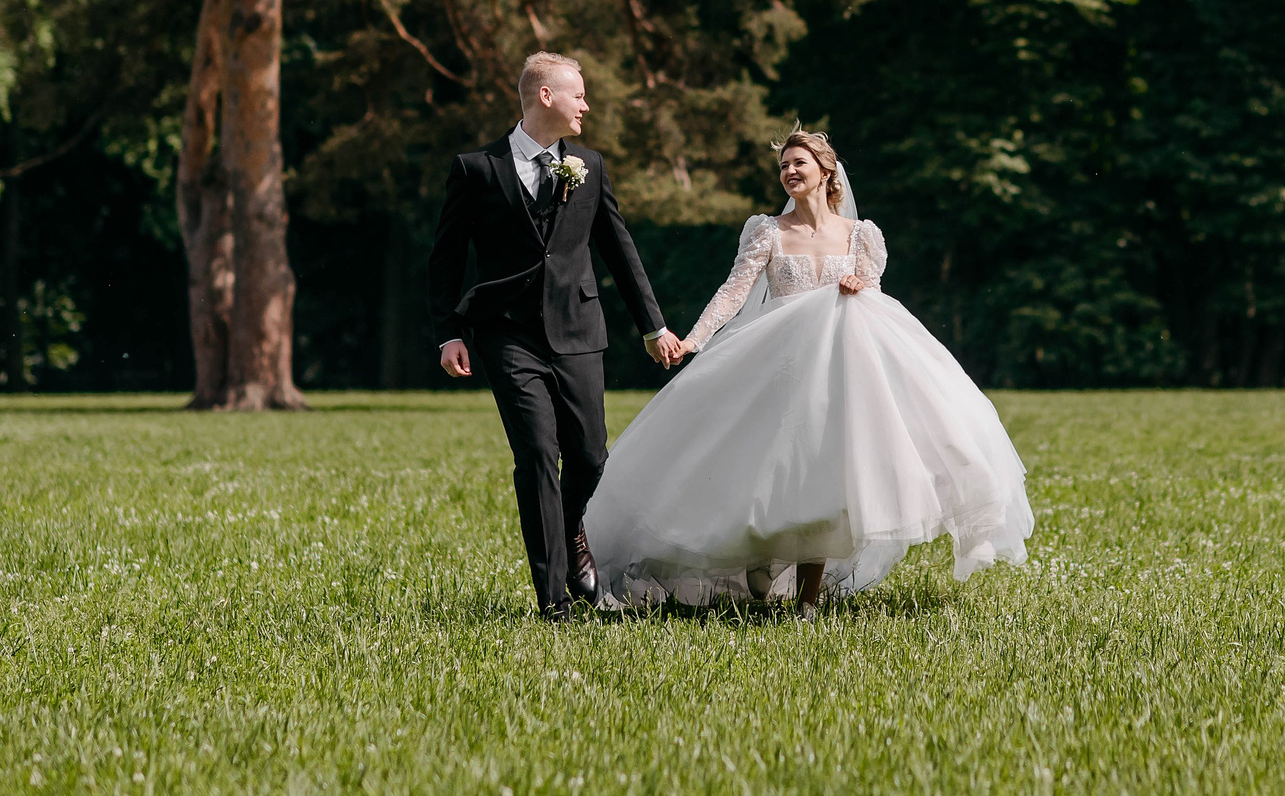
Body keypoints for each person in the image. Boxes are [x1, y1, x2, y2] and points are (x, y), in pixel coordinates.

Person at [582, 129, 1033, 617]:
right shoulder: (768, 232)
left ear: (826, 170)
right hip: (782, 367)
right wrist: (695, 339)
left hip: (842, 373)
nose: (790, 172)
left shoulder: (862, 236)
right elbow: (734, 293)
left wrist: (860, 285)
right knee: (768, 472)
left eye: (799, 163)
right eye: (783, 166)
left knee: (827, 477)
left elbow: (873, 294)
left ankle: (808, 599)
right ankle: (758, 562)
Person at [429, 53, 682, 620]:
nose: (586, 106)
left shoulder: (589, 164)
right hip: (507, 336)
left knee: (591, 457)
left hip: (579, 331)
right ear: (546, 96)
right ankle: (553, 600)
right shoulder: (475, 168)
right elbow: (444, 260)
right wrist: (449, 333)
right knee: (539, 455)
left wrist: (654, 325)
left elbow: (618, 247)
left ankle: (573, 542)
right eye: (580, 95)